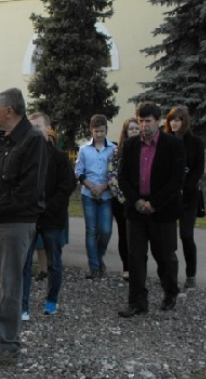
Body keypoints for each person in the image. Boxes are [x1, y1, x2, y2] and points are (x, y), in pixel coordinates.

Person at [0, 87, 47, 363]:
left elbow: (29, 189)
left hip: (15, 222)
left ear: (10, 111)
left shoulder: (33, 140)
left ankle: (10, 344)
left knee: (11, 282)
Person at [117, 102, 185, 318]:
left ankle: (170, 291)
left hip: (162, 210)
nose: (144, 126)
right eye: (141, 121)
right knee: (135, 257)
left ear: (157, 121)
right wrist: (137, 201)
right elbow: (123, 177)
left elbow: (177, 180)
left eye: (148, 121)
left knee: (164, 256)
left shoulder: (172, 144)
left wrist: (154, 203)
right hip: (135, 211)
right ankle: (137, 302)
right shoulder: (130, 146)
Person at [21, 113, 75, 319]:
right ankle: (23, 306)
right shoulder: (26, 156)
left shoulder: (59, 156)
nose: (35, 131)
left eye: (38, 127)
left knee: (54, 261)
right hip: (31, 217)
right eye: (31, 127)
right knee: (25, 261)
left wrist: (48, 206)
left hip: (52, 217)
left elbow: (67, 185)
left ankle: (52, 300)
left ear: (48, 128)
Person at [165, 105, 205, 290]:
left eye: (178, 119)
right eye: (172, 119)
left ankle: (191, 275)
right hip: (168, 198)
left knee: (186, 236)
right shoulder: (165, 141)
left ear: (184, 121)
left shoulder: (195, 143)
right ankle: (168, 275)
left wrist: (184, 187)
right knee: (168, 238)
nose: (174, 123)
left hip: (188, 197)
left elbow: (198, 170)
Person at [74, 114, 115, 279]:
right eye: (96, 131)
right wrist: (91, 186)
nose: (99, 134)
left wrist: (103, 187)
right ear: (91, 131)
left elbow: (114, 173)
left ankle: (99, 255)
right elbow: (79, 171)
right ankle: (94, 266)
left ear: (106, 130)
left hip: (106, 194)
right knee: (91, 230)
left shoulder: (113, 149)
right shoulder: (84, 150)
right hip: (88, 194)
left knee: (105, 230)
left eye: (102, 131)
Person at [107, 118, 140, 281]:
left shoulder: (144, 151)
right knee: (123, 234)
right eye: (131, 128)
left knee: (138, 236)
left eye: (136, 128)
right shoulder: (116, 151)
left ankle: (138, 267)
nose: (134, 131)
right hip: (120, 200)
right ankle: (126, 267)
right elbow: (112, 176)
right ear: (125, 131)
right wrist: (122, 197)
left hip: (139, 201)